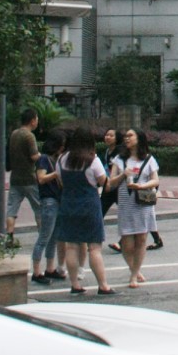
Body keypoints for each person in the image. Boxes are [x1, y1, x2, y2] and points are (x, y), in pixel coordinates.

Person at [53, 126, 116, 296]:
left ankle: (75, 285)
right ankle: (103, 285)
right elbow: (105, 184)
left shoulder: (62, 159)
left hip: (68, 205)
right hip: (89, 206)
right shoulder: (93, 160)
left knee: (71, 247)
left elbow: (61, 182)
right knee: (94, 248)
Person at [110, 128, 159, 289]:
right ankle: (134, 269)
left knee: (141, 239)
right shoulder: (119, 159)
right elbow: (111, 182)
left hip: (143, 203)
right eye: (125, 136)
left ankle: (134, 274)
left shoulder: (149, 159)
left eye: (130, 135)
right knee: (127, 243)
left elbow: (155, 180)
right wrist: (123, 174)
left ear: (139, 138)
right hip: (126, 204)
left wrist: (142, 185)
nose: (127, 138)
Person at [32, 131, 67, 284]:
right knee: (44, 237)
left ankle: (50, 268)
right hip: (49, 201)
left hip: (57, 200)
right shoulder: (44, 159)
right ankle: (36, 271)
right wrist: (56, 174)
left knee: (54, 237)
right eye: (62, 145)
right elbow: (41, 178)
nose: (63, 148)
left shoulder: (55, 160)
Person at [6, 108, 42, 242]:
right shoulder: (29, 136)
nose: (37, 122)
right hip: (30, 178)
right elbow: (34, 156)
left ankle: (9, 237)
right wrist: (42, 156)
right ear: (32, 121)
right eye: (37, 119)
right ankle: (42, 236)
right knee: (39, 208)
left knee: (12, 209)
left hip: (15, 178)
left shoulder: (14, 134)